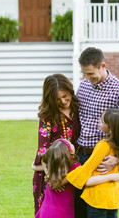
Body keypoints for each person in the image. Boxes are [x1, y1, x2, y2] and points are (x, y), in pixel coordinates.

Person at [75, 47, 119, 218]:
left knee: (102, 212)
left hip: (107, 162)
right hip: (82, 157)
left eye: (91, 74)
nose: (87, 78)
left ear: (102, 65)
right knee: (79, 211)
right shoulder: (83, 86)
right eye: (84, 74)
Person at [66, 108, 119, 218]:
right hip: (113, 198)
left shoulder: (104, 145)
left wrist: (65, 179)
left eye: (102, 121)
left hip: (98, 198)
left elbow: (88, 167)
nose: (99, 121)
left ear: (110, 129)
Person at [34, 139, 119, 218]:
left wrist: (50, 176)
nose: (71, 142)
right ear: (70, 153)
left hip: (46, 211)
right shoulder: (75, 169)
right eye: (69, 143)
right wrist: (111, 177)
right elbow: (88, 181)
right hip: (63, 213)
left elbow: (34, 167)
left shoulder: (53, 166)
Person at [32, 73, 81, 214]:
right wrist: (52, 178)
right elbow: (43, 149)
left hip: (72, 171)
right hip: (51, 172)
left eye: (66, 96)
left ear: (70, 91)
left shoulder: (79, 109)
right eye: (58, 99)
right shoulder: (47, 116)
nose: (64, 101)